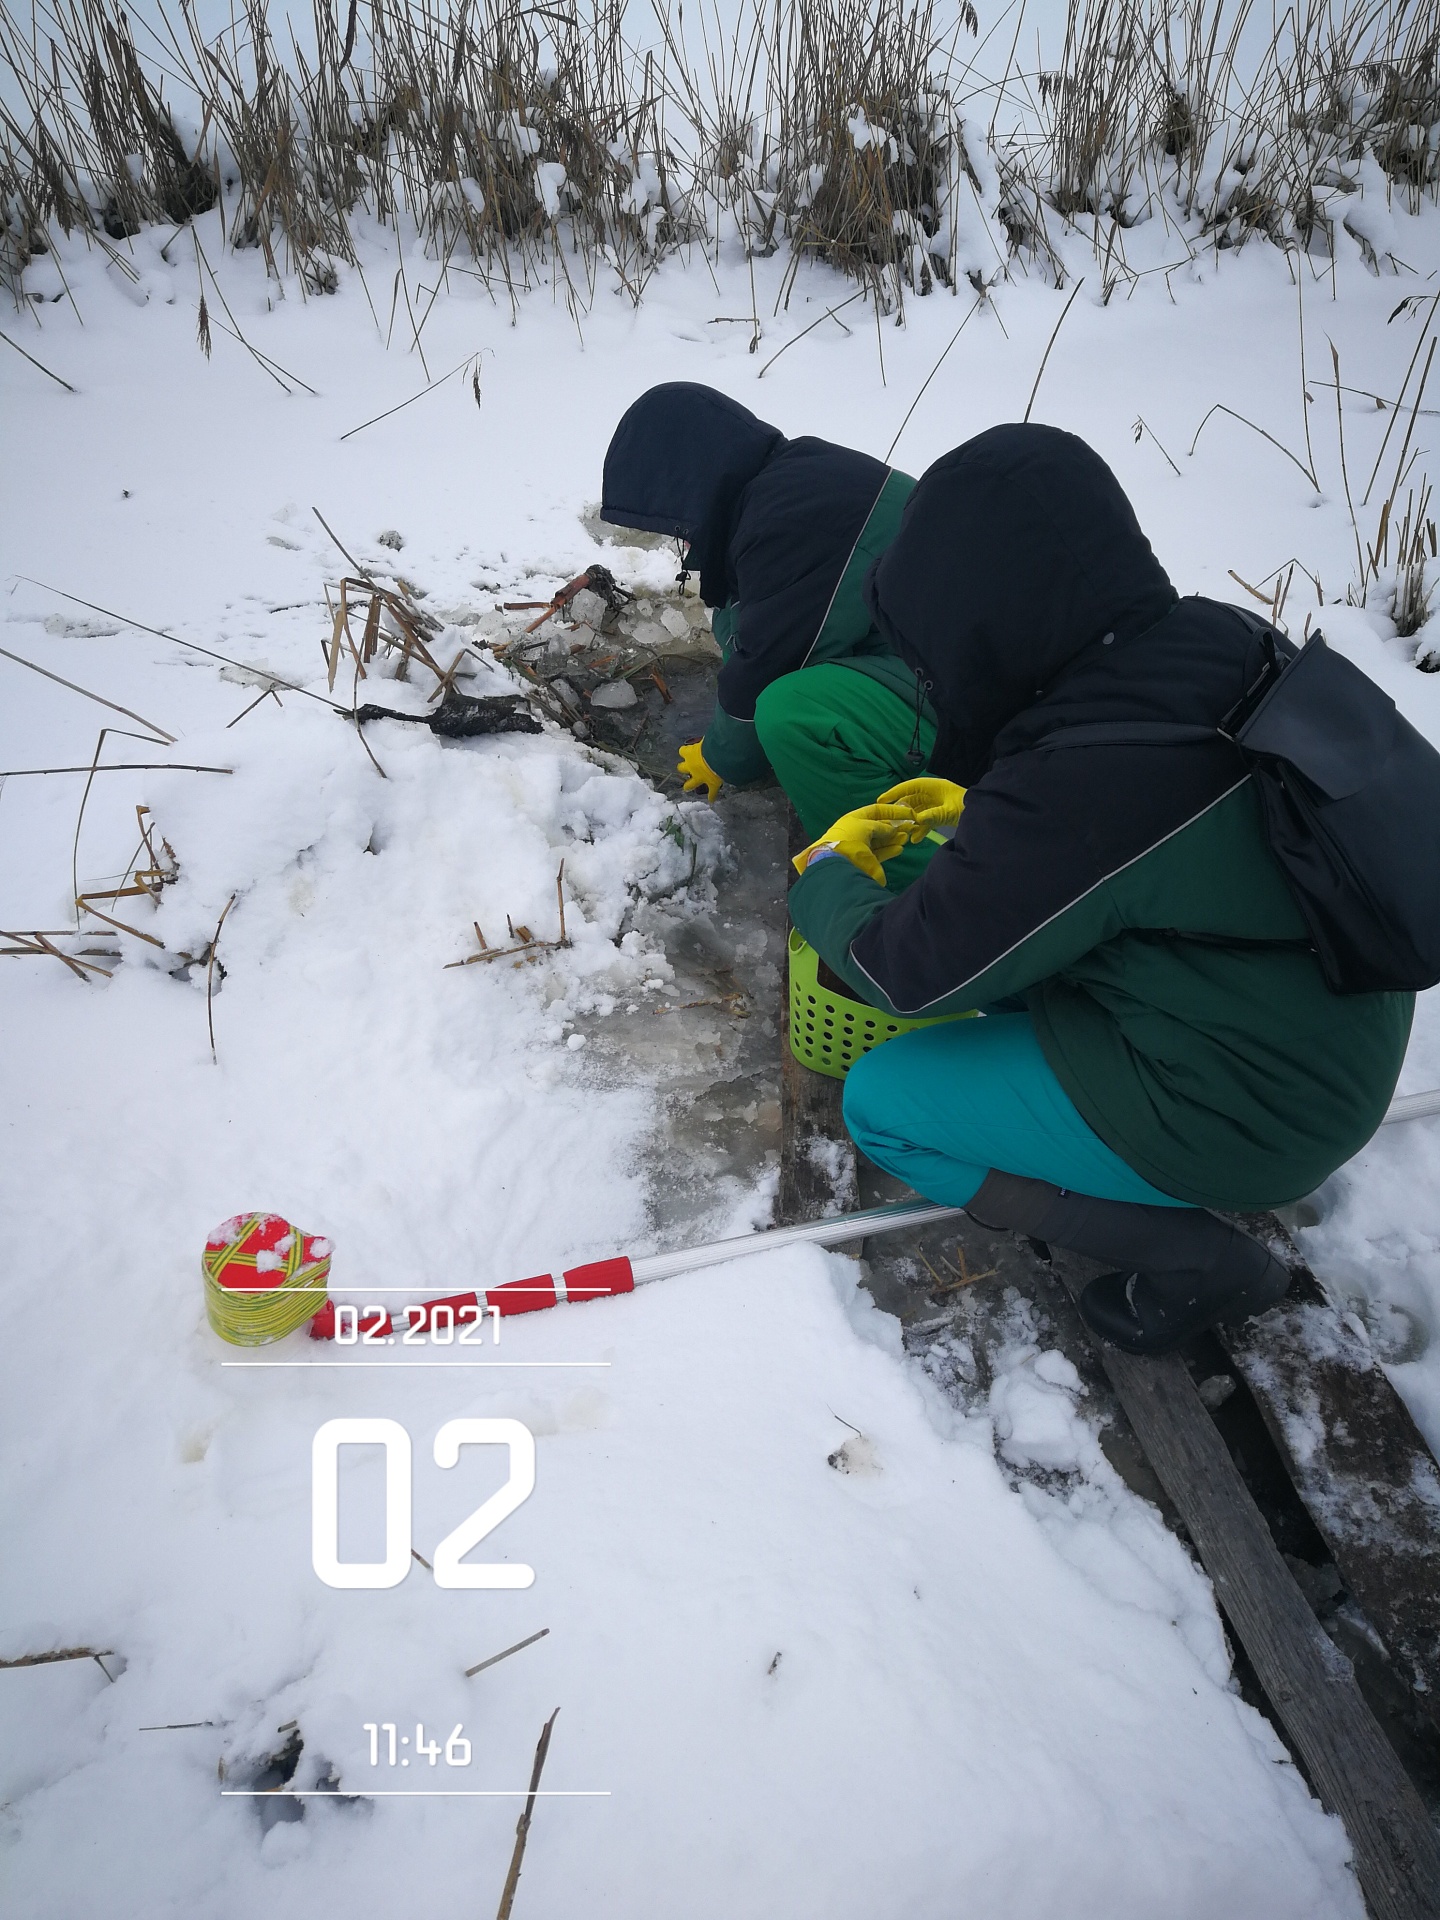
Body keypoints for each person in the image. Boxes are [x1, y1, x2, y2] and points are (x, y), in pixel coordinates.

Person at [788, 423, 1415, 1354]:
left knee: (886, 1107)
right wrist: (979, 815)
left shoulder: (1083, 781)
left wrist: (825, 880)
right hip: (1329, 1015)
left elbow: (902, 975)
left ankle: (1196, 1260)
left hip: (1256, 1110)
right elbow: (1160, 845)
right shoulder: (1216, 638)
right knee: (1000, 964)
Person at [600, 381, 941, 887]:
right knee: (733, 617)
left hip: (963, 698)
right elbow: (761, 616)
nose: (680, 538)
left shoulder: (784, 522)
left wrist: (723, 756)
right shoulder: (795, 475)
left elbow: (770, 665)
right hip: (922, 654)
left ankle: (906, 878)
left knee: (790, 711)